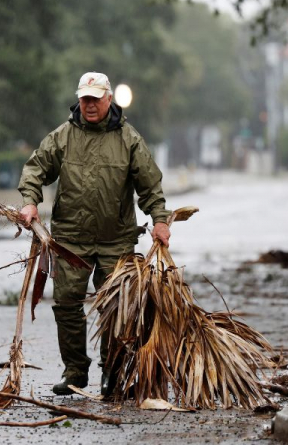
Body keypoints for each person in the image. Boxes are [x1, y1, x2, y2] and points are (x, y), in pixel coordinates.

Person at [17, 71, 171, 396]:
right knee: (66, 304)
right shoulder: (63, 137)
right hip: (70, 240)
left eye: (95, 99)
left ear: (108, 99)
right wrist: (29, 201)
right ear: (79, 99)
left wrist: (160, 219)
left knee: (115, 307)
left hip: (116, 240)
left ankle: (111, 373)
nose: (89, 105)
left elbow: (150, 185)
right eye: (84, 98)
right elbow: (35, 169)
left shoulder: (129, 140)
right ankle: (75, 371)